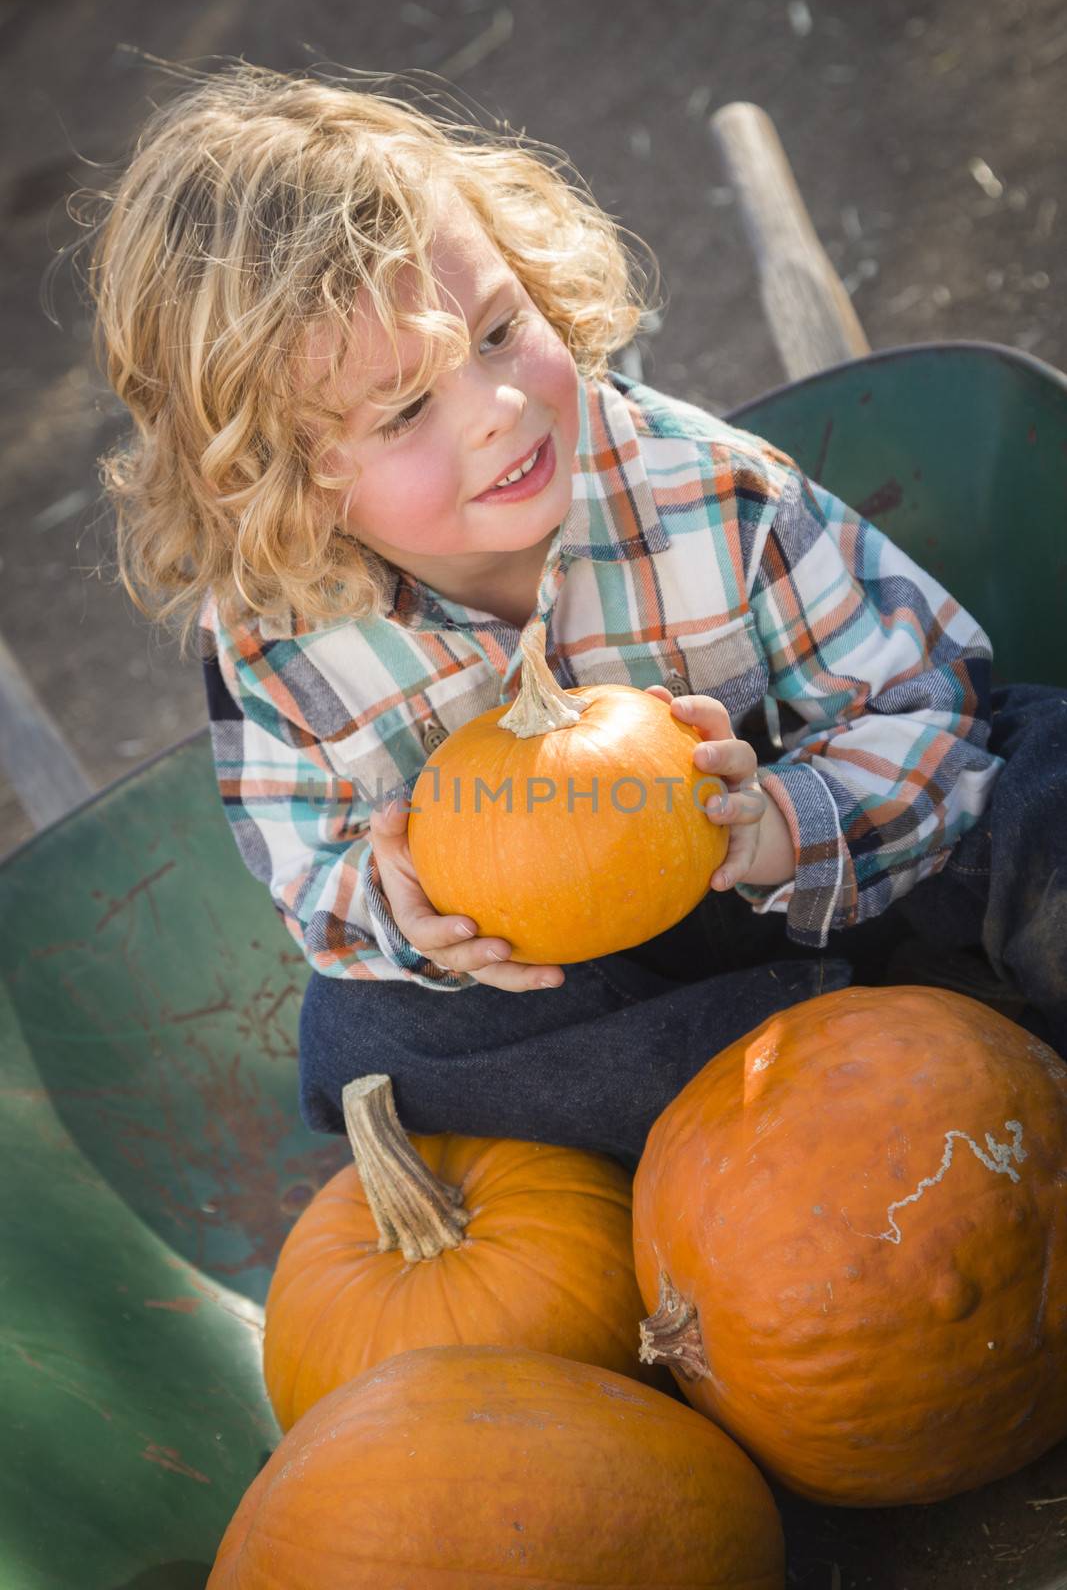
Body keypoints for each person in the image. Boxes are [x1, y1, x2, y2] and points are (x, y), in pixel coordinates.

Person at [86, 63, 1065, 1168]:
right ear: (278, 479)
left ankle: (904, 1018)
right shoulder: (278, 638)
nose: (498, 410)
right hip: (589, 988)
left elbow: (915, 694)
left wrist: (781, 821)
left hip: (803, 872)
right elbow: (310, 867)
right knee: (362, 1032)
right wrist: (400, 903)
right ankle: (815, 1078)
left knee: (1037, 771)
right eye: (407, 408)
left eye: (499, 332)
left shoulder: (703, 490)